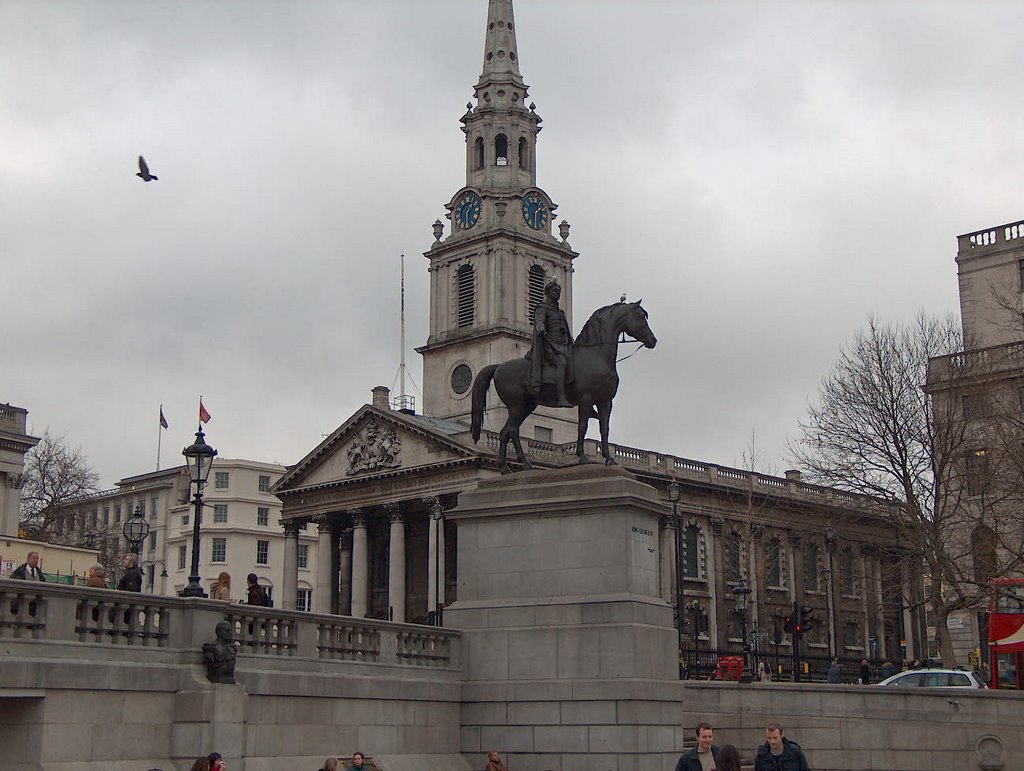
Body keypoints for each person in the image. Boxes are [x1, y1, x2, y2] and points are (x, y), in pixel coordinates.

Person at [526, 279, 574, 407]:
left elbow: (566, 331)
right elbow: (539, 320)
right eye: (555, 290)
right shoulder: (542, 308)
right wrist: (540, 327)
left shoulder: (560, 312)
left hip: (563, 346)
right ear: (547, 293)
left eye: (559, 291)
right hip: (549, 346)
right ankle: (561, 397)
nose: (558, 293)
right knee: (562, 362)